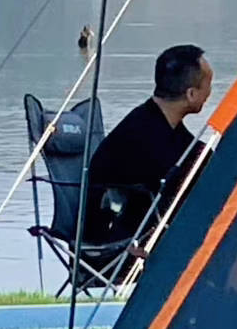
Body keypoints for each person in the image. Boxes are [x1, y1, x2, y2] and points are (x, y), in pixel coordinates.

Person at [82, 44, 212, 258]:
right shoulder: (141, 136)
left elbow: (202, 159)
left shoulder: (161, 124)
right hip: (115, 242)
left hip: (140, 228)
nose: (210, 93)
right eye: (208, 85)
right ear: (190, 93)